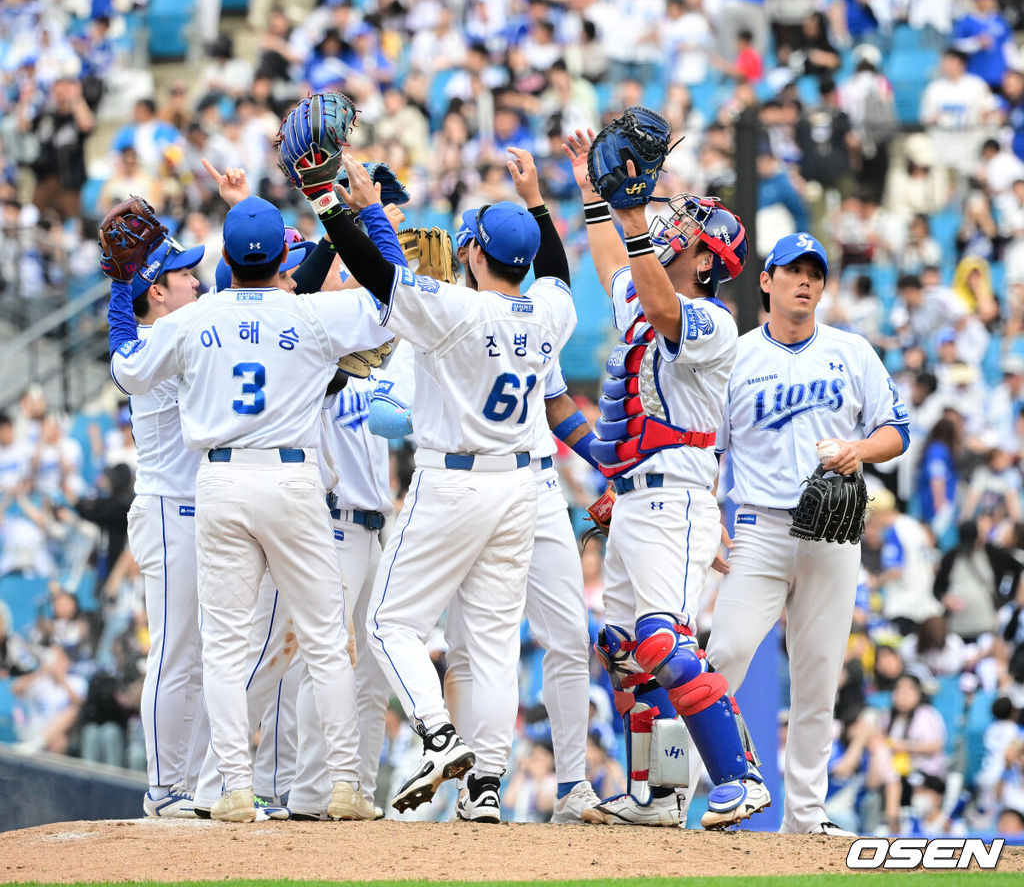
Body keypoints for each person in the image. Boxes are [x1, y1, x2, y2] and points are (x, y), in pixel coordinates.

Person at [106, 192, 394, 823]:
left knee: (224, 646)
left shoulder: (194, 318)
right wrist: (369, 218)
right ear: (277, 262)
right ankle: (345, 785)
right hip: (291, 481)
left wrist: (121, 289)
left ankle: (233, 788)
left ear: (228, 260)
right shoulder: (310, 313)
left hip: (220, 483)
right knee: (326, 641)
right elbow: (391, 297)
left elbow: (127, 368)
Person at [319, 153, 576, 818]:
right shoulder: (550, 312)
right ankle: (485, 788)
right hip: (519, 488)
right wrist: (537, 203)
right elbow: (557, 272)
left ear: (474, 252)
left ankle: (437, 736)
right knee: (491, 649)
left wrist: (338, 203)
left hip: (453, 484)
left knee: (386, 623)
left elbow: (378, 273)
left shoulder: (458, 308)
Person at [561, 126, 767, 830]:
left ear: (708, 260)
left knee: (660, 638)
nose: (676, 226)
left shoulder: (712, 320)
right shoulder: (649, 290)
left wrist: (632, 220)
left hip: (676, 500)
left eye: (691, 228)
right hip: (635, 500)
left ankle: (740, 777)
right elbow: (613, 270)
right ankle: (658, 795)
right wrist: (596, 199)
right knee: (623, 653)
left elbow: (658, 306)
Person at [706, 231, 910, 837]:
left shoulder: (852, 351)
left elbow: (895, 431)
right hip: (759, 529)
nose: (804, 281)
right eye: (792, 270)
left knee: (819, 677)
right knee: (723, 657)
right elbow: (708, 449)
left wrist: (858, 450)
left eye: (814, 273)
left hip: (832, 533)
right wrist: (708, 518)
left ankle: (806, 817)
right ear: (765, 281)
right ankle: (684, 794)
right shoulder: (735, 356)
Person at [106, 235, 207, 818]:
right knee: (174, 653)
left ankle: (190, 784)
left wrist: (123, 289)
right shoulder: (160, 340)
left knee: (200, 658)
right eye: (183, 274)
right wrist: (122, 288)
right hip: (170, 509)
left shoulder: (169, 334)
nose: (196, 280)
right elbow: (126, 356)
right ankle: (165, 787)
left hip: (191, 509)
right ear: (159, 293)